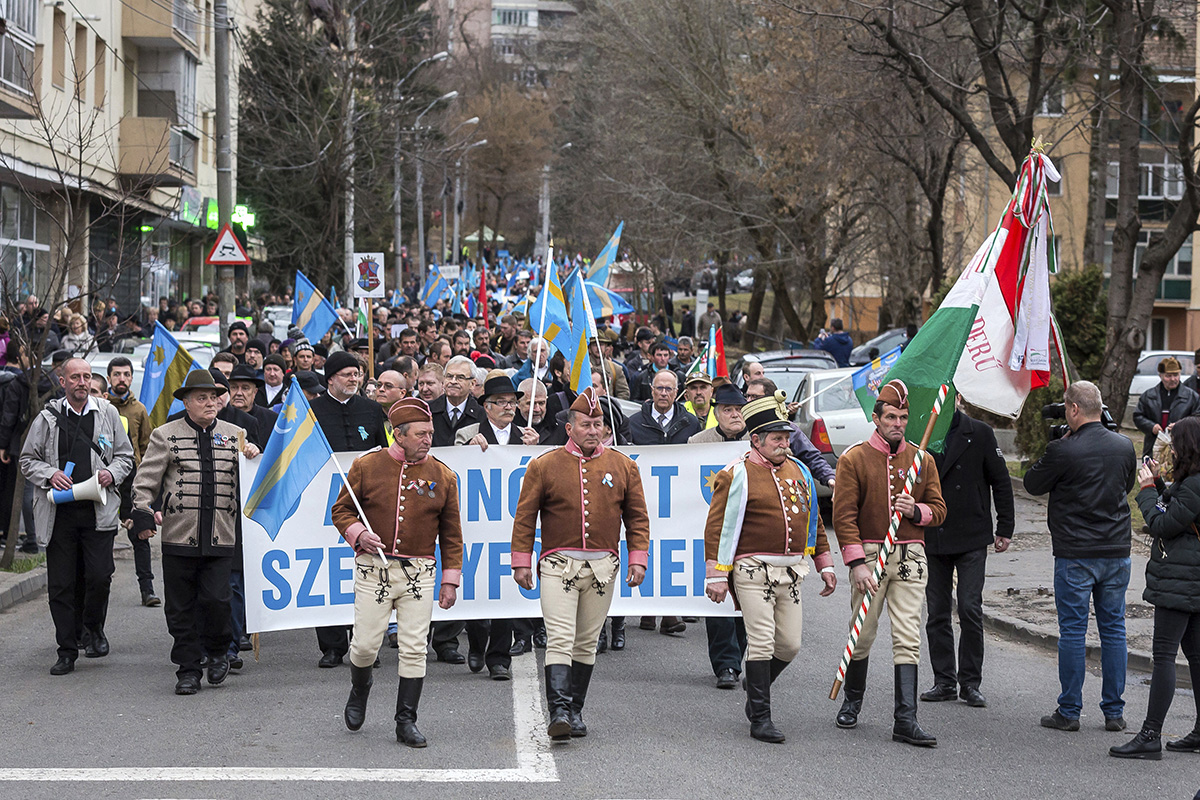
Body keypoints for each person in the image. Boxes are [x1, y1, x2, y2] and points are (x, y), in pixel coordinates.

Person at [510, 387, 650, 741]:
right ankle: (557, 711)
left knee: (586, 642)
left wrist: (638, 559)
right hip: (558, 564)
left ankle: (574, 709)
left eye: (598, 424)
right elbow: (525, 518)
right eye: (586, 424)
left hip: (603, 566)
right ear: (570, 427)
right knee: (559, 637)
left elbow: (637, 519)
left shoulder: (623, 466)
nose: (593, 430)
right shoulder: (544, 465)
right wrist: (521, 562)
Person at [703, 390, 837, 741]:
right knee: (761, 641)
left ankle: (755, 681)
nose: (784, 444)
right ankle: (760, 717)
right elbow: (717, 527)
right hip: (751, 569)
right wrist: (716, 575)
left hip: (792, 571)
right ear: (756, 439)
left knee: (789, 645)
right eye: (777, 438)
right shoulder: (736, 474)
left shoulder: (801, 471)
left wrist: (825, 563)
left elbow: (814, 522)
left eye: (787, 437)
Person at [331, 397, 463, 747]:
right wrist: (358, 533)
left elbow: (452, 535)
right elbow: (341, 510)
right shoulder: (366, 465)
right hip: (373, 570)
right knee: (363, 647)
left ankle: (406, 721)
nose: (428, 439)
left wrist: (450, 581)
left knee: (414, 647)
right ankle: (360, 689)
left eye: (430, 433)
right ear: (398, 435)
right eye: (421, 433)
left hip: (420, 572)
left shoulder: (444, 476)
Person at [831, 379, 947, 747]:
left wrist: (919, 510)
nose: (898, 423)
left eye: (903, 417)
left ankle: (905, 719)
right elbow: (843, 517)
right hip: (869, 556)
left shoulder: (922, 458)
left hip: (911, 554)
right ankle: (853, 700)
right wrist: (857, 564)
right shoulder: (854, 458)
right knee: (862, 633)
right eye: (891, 417)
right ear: (876, 418)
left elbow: (940, 510)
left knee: (908, 637)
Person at [132, 371, 257, 694]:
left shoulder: (236, 434)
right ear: (186, 402)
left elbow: (254, 481)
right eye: (201, 398)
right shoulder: (164, 434)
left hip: (221, 535)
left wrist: (253, 457)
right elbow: (146, 481)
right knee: (180, 607)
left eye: (214, 397)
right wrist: (142, 512)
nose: (210, 403)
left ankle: (217, 653)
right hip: (179, 536)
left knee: (217, 600)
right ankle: (187, 669)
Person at [1024, 380, 1137, 733]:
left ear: (1073, 409)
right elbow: (1128, 484)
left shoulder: (1063, 450)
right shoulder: (1124, 445)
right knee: (1114, 629)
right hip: (1116, 549)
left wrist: (1053, 447)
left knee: (1073, 631)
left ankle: (1070, 710)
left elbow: (1031, 483)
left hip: (1076, 551)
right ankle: (1114, 712)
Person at [20, 358, 134, 675]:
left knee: (99, 576)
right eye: (75, 377)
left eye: (86, 376)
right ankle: (66, 650)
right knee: (61, 585)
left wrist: (112, 473)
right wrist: (50, 473)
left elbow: (126, 456)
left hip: (98, 512)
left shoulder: (108, 413)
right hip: (60, 514)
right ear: (63, 382)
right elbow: (27, 460)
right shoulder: (47, 418)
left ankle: (93, 629)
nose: (82, 382)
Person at [1110, 416, 1200, 759]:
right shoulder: (1192, 482)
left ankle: (1150, 735)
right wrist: (1161, 486)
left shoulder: (1193, 484)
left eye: (1175, 445)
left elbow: (1163, 523)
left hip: (1181, 579)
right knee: (1195, 656)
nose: (1171, 450)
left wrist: (1146, 491)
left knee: (1164, 656)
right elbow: (1182, 513)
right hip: (1190, 579)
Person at [920, 400, 1014, 708]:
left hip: (972, 533)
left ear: (959, 400)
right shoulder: (922, 434)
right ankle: (944, 680)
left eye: (952, 396)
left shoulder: (980, 433)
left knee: (971, 608)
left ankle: (970, 682)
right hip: (935, 533)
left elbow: (1001, 482)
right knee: (937, 611)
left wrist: (1005, 528)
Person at [309, 351, 391, 668]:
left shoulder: (372, 410)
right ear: (330, 379)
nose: (354, 380)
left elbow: (384, 449)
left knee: (367, 572)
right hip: (324, 505)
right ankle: (331, 646)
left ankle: (366, 643)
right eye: (346, 374)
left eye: (357, 374)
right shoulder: (312, 412)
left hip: (367, 503)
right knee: (326, 571)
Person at [454, 373, 536, 679]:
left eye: (512, 402)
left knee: (506, 592)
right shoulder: (468, 434)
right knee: (479, 588)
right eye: (500, 402)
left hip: (513, 525)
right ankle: (477, 644)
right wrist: (468, 449)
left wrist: (533, 450)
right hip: (478, 525)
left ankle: (499, 658)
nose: (508, 408)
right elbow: (455, 469)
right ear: (486, 407)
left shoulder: (527, 436)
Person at [106, 357, 158, 607]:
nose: (122, 379)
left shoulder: (139, 410)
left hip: (132, 483)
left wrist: (147, 482)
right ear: (109, 378)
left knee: (140, 537)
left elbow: (147, 447)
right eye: (117, 374)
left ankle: (147, 589)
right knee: (102, 537)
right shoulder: (101, 407)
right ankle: (99, 588)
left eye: (126, 374)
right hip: (104, 481)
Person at [1133, 356, 1200, 459]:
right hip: (1154, 445)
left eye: (1176, 375)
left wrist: (1181, 426)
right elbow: (1138, 416)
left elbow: (1197, 418)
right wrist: (1151, 426)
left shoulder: (1192, 397)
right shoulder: (1149, 396)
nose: (1173, 379)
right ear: (1160, 376)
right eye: (1168, 376)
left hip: (1183, 447)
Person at [628, 370, 702, 447]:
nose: (663, 393)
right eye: (659, 388)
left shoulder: (691, 423)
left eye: (668, 389)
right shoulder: (634, 423)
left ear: (676, 392)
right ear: (652, 390)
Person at [228, 364, 278, 450]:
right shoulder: (219, 417)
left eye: (245, 388)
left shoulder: (271, 419)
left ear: (255, 392)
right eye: (234, 387)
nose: (239, 393)